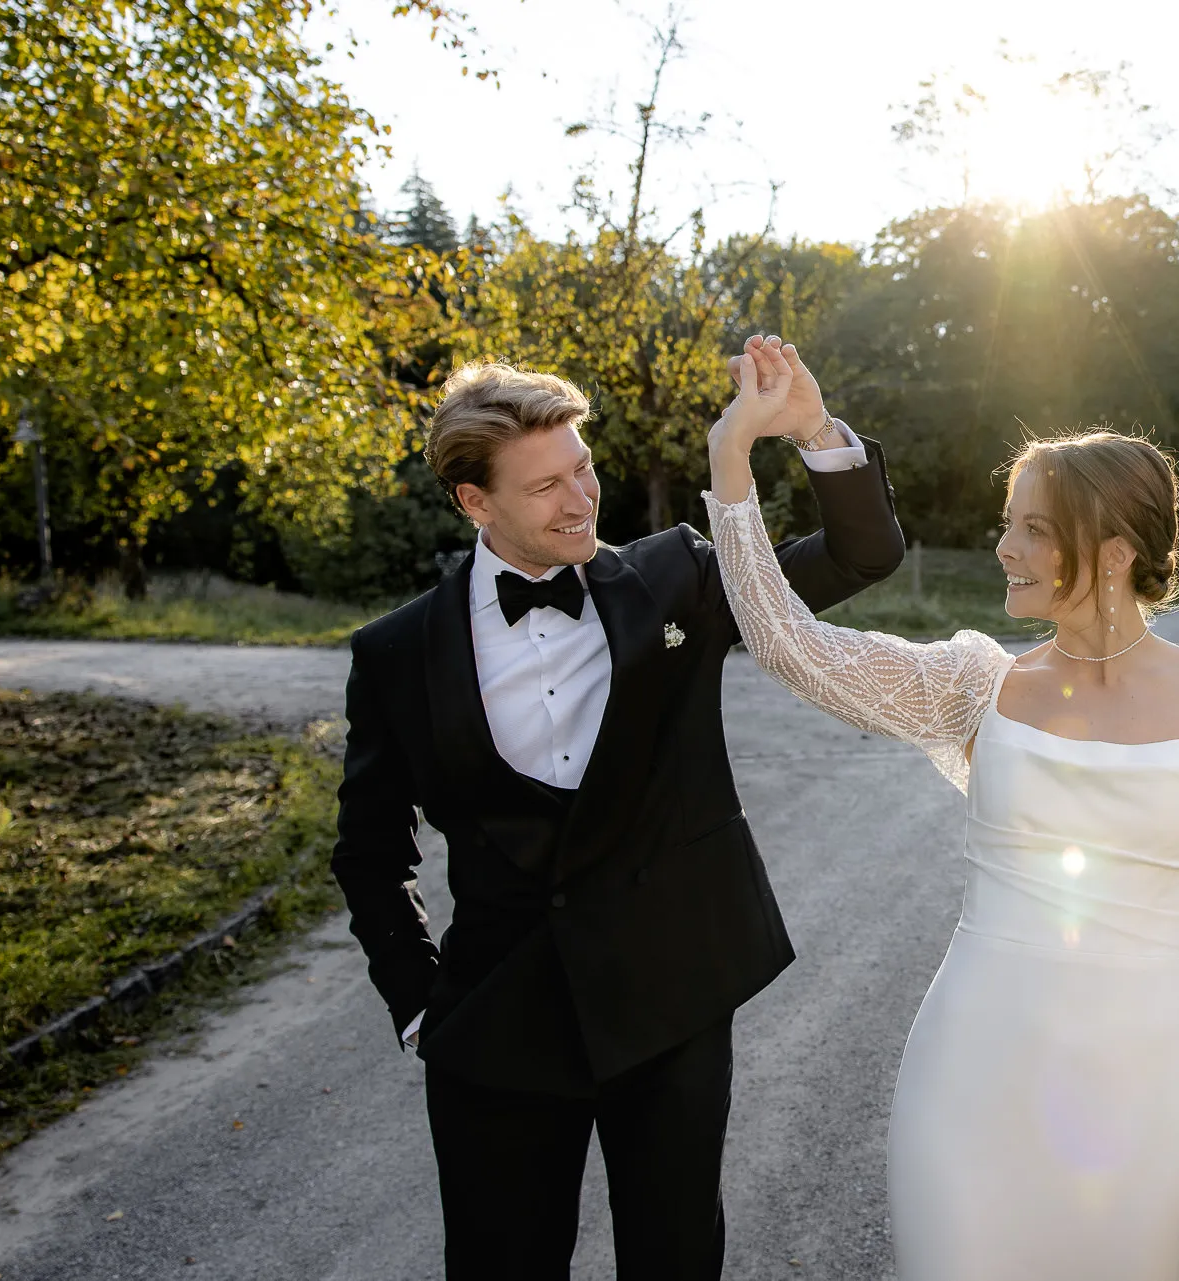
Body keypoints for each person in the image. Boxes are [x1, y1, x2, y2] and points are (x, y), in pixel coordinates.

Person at [703, 338, 1179, 1279]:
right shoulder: (973, 683)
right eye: (1006, 522)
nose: (1002, 548)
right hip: (971, 1079)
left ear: (1111, 554)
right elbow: (784, 641)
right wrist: (739, 449)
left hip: (1146, 1097)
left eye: (1030, 529)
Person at [329, 345, 905, 1279]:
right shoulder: (396, 653)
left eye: (583, 469)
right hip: (496, 1024)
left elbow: (859, 553)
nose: (579, 499)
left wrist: (809, 430)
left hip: (669, 1002)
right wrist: (418, 1002)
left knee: (674, 1259)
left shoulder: (676, 575)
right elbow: (368, 850)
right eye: (545, 486)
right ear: (475, 502)